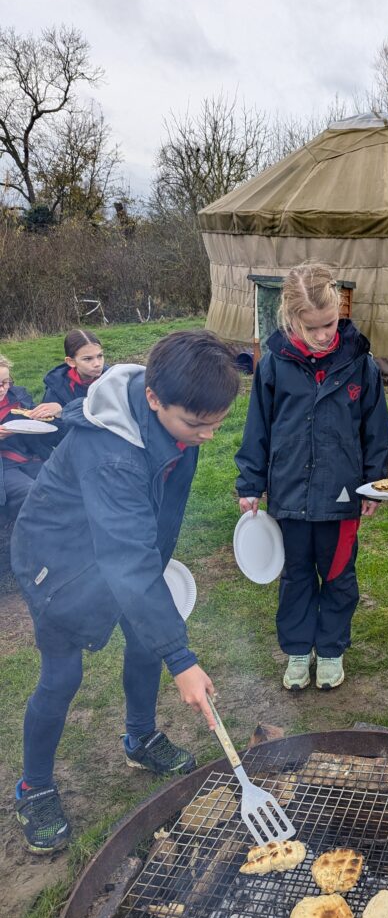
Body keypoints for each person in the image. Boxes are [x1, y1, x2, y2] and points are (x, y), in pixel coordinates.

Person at [11, 330, 240, 854]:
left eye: (217, 423)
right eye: (197, 425)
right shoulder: (111, 452)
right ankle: (35, 787)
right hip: (58, 561)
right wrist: (182, 658)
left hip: (123, 545)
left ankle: (140, 737)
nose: (207, 435)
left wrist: (156, 593)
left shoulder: (177, 414)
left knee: (144, 640)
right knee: (61, 675)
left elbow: (147, 532)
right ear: (154, 399)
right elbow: (124, 558)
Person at [235, 264, 388, 693]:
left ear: (339, 310)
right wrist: (250, 484)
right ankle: (299, 650)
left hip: (342, 495)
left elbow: (375, 428)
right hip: (288, 492)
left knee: (339, 574)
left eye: (330, 324)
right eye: (313, 327)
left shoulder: (361, 364)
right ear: (292, 319)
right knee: (296, 574)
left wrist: (374, 482)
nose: (324, 334)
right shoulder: (274, 365)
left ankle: (332, 650)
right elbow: (258, 428)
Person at [0, 354, 53, 525]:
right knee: (31, 493)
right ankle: (25, 531)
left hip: (30, 456)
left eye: (5, 382)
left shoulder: (18, 397)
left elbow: (35, 425)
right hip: (5, 466)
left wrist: (38, 417)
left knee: (59, 484)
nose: (2, 389)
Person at [33, 328, 107, 422]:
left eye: (100, 356)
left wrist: (64, 411)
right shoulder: (56, 386)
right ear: (71, 362)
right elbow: (50, 429)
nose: (97, 363)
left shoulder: (115, 379)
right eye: (88, 359)